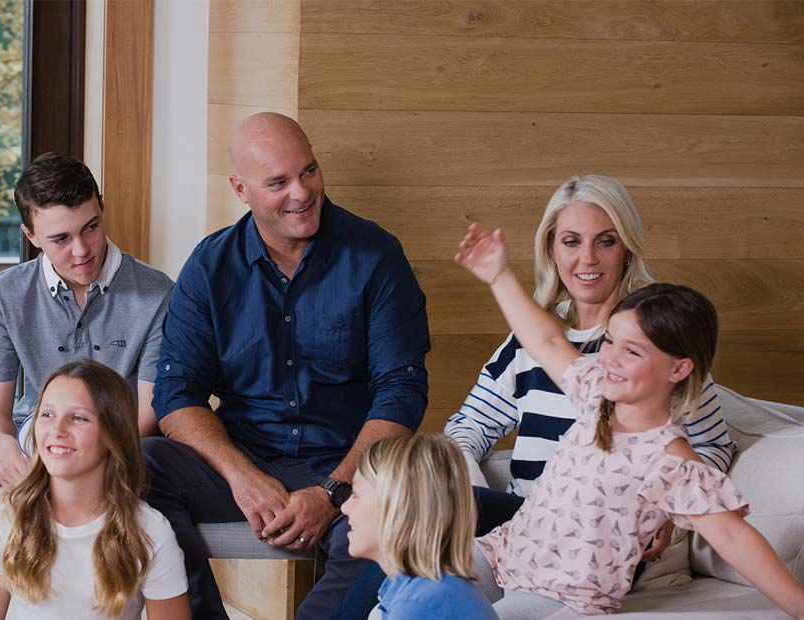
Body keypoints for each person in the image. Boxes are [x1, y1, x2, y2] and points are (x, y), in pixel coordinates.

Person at [334, 174, 737, 618]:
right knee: (406, 520)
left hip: (599, 537)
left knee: (406, 517)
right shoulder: (530, 340)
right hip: (523, 519)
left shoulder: (653, 348)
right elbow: (466, 428)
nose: (587, 258)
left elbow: (712, 446)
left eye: (605, 241)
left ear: (627, 249)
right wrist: (465, 495)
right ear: (551, 249)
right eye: (571, 241)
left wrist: (663, 509)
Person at [144, 112, 431, 619]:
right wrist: (241, 476)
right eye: (278, 182)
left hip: (350, 465)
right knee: (140, 466)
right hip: (244, 456)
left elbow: (401, 391)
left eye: (309, 171)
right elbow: (176, 395)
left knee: (400, 511)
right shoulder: (209, 267)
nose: (301, 192)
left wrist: (330, 491)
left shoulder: (376, 255)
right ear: (241, 189)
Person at [457, 224, 804, 618]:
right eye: (609, 342)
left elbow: (732, 535)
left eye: (632, 352)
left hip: (559, 597)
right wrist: (499, 276)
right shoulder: (594, 394)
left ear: (679, 369)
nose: (610, 359)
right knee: (412, 584)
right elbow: (547, 340)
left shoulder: (669, 460)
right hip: (500, 554)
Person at [0, 152, 174, 620]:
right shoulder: (4, 293)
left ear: (102, 207)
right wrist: (9, 455)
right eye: (60, 238)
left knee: (167, 499)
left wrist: (85, 457)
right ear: (31, 236)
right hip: (33, 448)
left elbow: (147, 412)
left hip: (118, 451)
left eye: (91, 227)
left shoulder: (157, 293)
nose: (81, 250)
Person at [0, 361, 190, 619]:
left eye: (78, 418)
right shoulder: (2, 513)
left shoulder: (150, 531)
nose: (57, 430)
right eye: (47, 415)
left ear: (113, 434)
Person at [341, 434, 498, 620]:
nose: (344, 507)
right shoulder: (415, 589)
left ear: (399, 507)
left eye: (356, 495)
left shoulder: (419, 604)